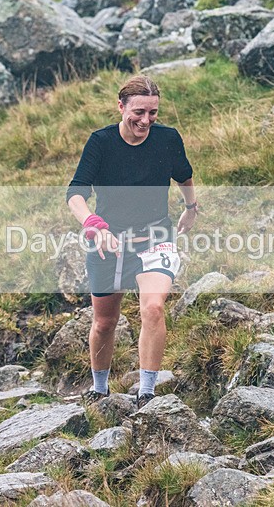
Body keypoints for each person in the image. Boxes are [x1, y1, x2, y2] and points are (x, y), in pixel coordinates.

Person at [65, 75, 198, 409]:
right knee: (105, 321)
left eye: (153, 112)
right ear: (121, 106)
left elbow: (183, 175)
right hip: (108, 243)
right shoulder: (101, 142)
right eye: (139, 111)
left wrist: (191, 207)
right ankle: (99, 388)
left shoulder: (167, 139)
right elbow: (76, 192)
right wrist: (93, 223)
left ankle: (147, 392)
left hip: (155, 239)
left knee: (153, 307)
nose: (145, 120)